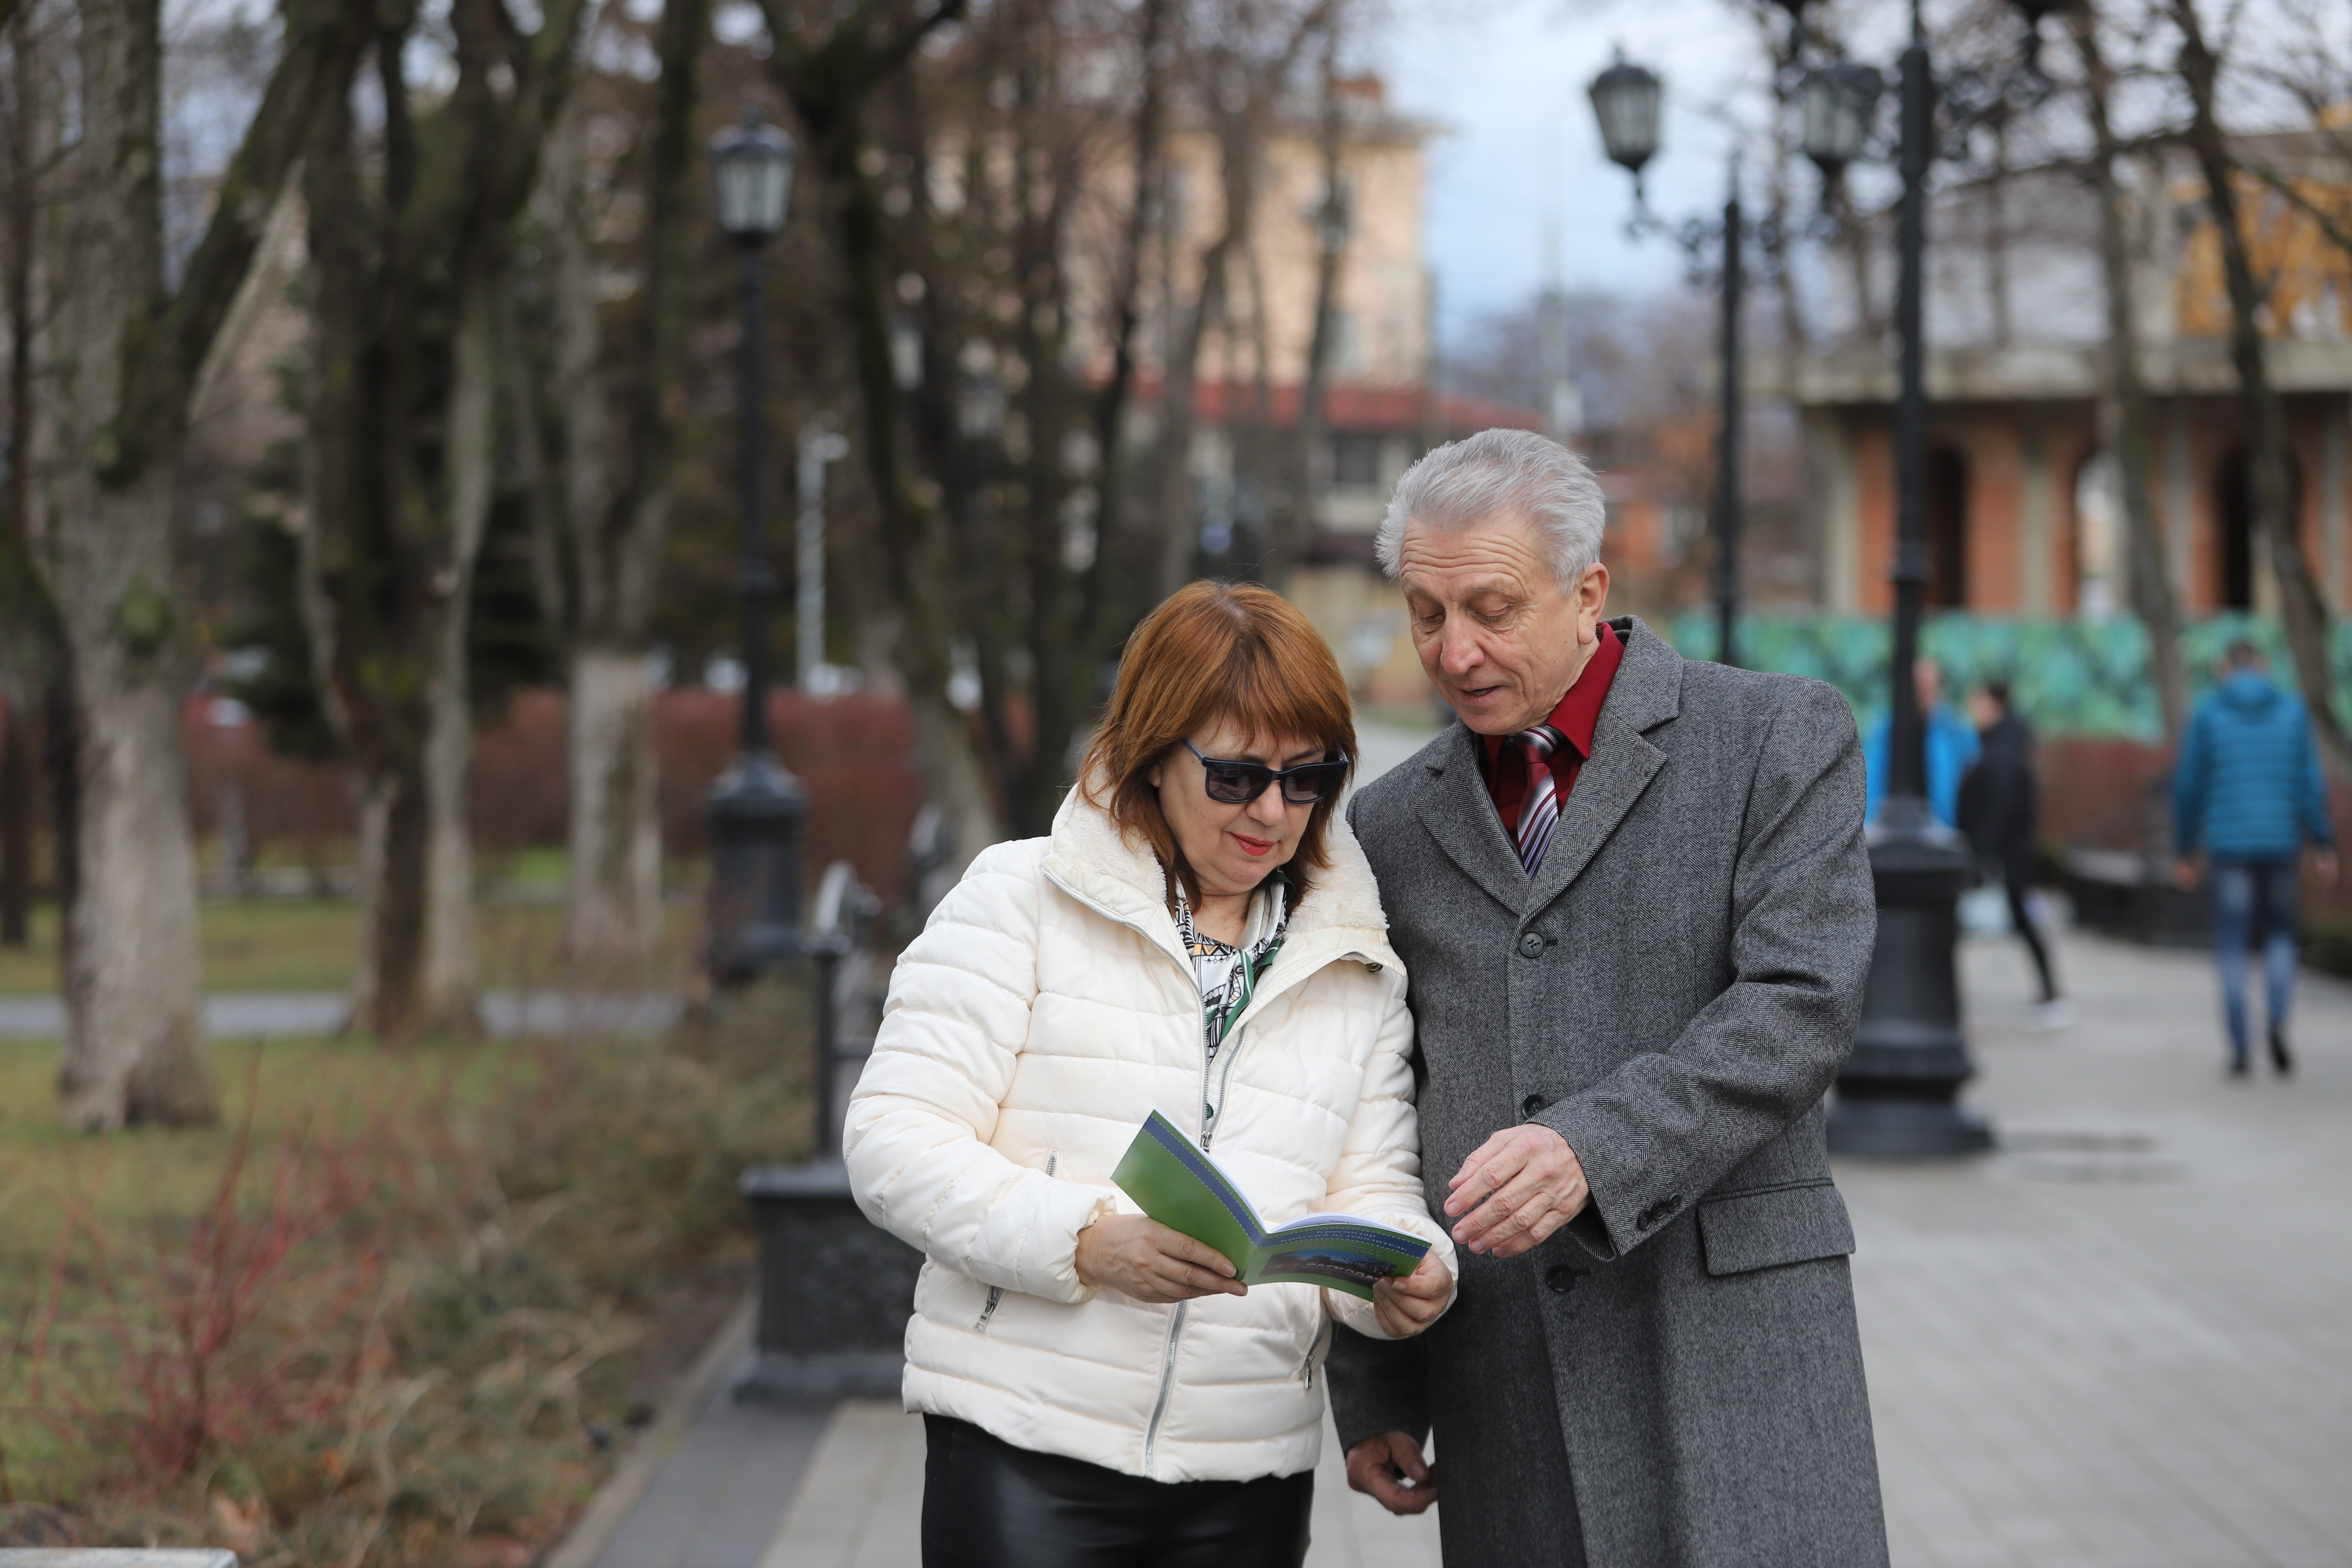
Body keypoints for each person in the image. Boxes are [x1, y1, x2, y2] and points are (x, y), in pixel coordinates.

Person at [1329, 428, 1886, 1567]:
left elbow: (1802, 999)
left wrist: (1591, 1146)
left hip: (1734, 1354)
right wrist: (1376, 1372)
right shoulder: (1386, 824)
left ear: (1588, 591)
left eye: (1491, 607)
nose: (1455, 649)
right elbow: (1380, 1097)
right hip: (1507, 1374)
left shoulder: (1777, 735)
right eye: (1426, 614)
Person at [844, 581, 1457, 1568]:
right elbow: (890, 1146)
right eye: (1236, 776)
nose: (1273, 811)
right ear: (1154, 754)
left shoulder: (1355, 964)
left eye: (1310, 779)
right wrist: (1087, 1240)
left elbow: (1370, 1190)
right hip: (1023, 1447)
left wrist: (1409, 1272)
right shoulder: (1019, 900)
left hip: (1249, 1472)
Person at [2170, 640, 2340, 1076]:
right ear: (2262, 666)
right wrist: (2322, 843)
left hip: (2228, 848)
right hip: (2280, 844)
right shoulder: (2292, 712)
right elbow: (2310, 784)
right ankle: (2279, 1023)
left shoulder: (2209, 714)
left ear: (2225, 668)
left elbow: (2188, 786)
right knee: (2281, 937)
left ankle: (2241, 1046)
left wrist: (2185, 849)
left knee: (2232, 944)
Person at [1957, 679, 2065, 1023]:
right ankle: (2051, 992)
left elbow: (1999, 806)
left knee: (2015, 919)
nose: (1973, 712)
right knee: (2021, 919)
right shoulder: (2006, 744)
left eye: (1977, 703)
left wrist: (1983, 855)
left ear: (1992, 704)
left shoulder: (2002, 750)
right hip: (2009, 853)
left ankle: (2052, 994)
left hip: (2004, 855)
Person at [1864, 655, 1979, 827]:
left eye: (1927, 685)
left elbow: (1974, 779)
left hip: (1942, 826)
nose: (1921, 691)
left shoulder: (1955, 730)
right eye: (1917, 685)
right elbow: (1871, 780)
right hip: (1890, 826)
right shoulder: (1885, 729)